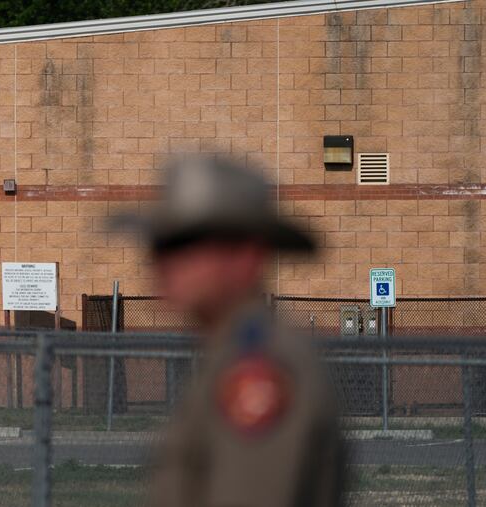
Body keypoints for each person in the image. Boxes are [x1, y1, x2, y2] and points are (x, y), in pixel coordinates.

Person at [115, 155, 344, 507]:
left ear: (247, 256)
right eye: (160, 244)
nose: (161, 261)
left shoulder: (259, 371)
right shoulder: (230, 355)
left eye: (184, 244)